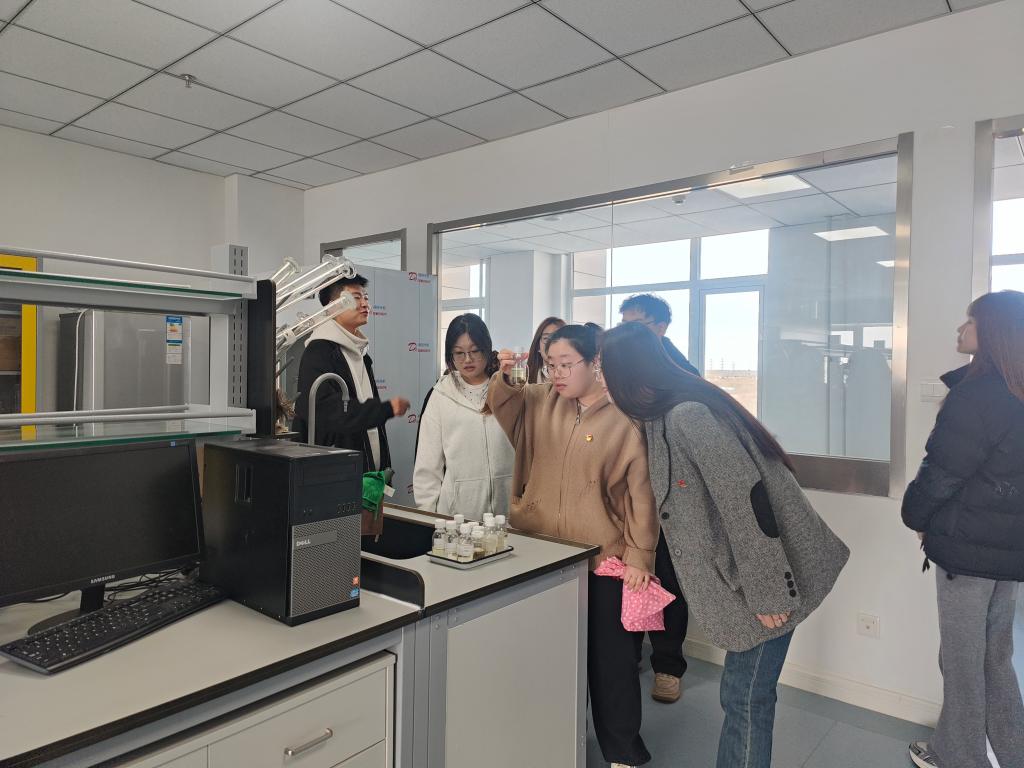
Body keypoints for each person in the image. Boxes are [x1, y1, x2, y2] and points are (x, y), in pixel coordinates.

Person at [598, 321, 849, 768]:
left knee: (746, 697)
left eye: (604, 370)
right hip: (744, 582)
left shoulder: (687, 417)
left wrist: (769, 590)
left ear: (629, 374)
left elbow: (745, 502)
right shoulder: (660, 419)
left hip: (769, 580)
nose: (602, 381)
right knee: (743, 694)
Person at [488, 323, 658, 768]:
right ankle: (558, 742)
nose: (557, 374)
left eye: (566, 364)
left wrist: (640, 556)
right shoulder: (539, 401)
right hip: (542, 553)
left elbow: (641, 496)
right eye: (550, 365)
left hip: (603, 559)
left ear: (595, 362)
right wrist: (504, 376)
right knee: (550, 656)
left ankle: (623, 751)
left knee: (612, 662)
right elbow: (501, 403)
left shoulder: (625, 418)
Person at [901, 290, 1024, 768]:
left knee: (961, 660)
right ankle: (1012, 752)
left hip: (968, 553)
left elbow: (942, 472)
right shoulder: (1016, 391)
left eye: (970, 321)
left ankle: (959, 757)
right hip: (1009, 553)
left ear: (992, 332)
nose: (960, 329)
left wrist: (916, 517)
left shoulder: (977, 395)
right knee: (995, 656)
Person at [619, 297, 693, 703]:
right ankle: (629, 655)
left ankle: (668, 666)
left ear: (662, 327)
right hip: (628, 496)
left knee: (668, 580)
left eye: (640, 325)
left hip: (669, 500)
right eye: (624, 325)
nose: (630, 333)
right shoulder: (620, 371)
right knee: (629, 577)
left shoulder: (682, 375)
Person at [293, 274, 410, 473]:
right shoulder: (320, 352)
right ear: (332, 306)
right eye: (356, 298)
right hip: (335, 475)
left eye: (366, 297)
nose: (365, 304)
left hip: (367, 474)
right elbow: (329, 413)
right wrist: (384, 409)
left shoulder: (360, 353)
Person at [414, 314, 513, 520]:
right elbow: (427, 465)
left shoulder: (507, 389)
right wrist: (428, 517)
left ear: (487, 348)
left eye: (475, 351)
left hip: (507, 515)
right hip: (457, 518)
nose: (467, 359)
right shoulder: (441, 395)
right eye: (459, 353)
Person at [620, 293, 699, 376]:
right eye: (624, 325)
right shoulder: (619, 359)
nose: (627, 332)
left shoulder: (684, 373)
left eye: (636, 325)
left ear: (661, 328)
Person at [526, 316, 565, 383]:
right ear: (538, 347)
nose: (551, 343)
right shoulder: (526, 376)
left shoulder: (576, 376)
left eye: (557, 338)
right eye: (546, 338)